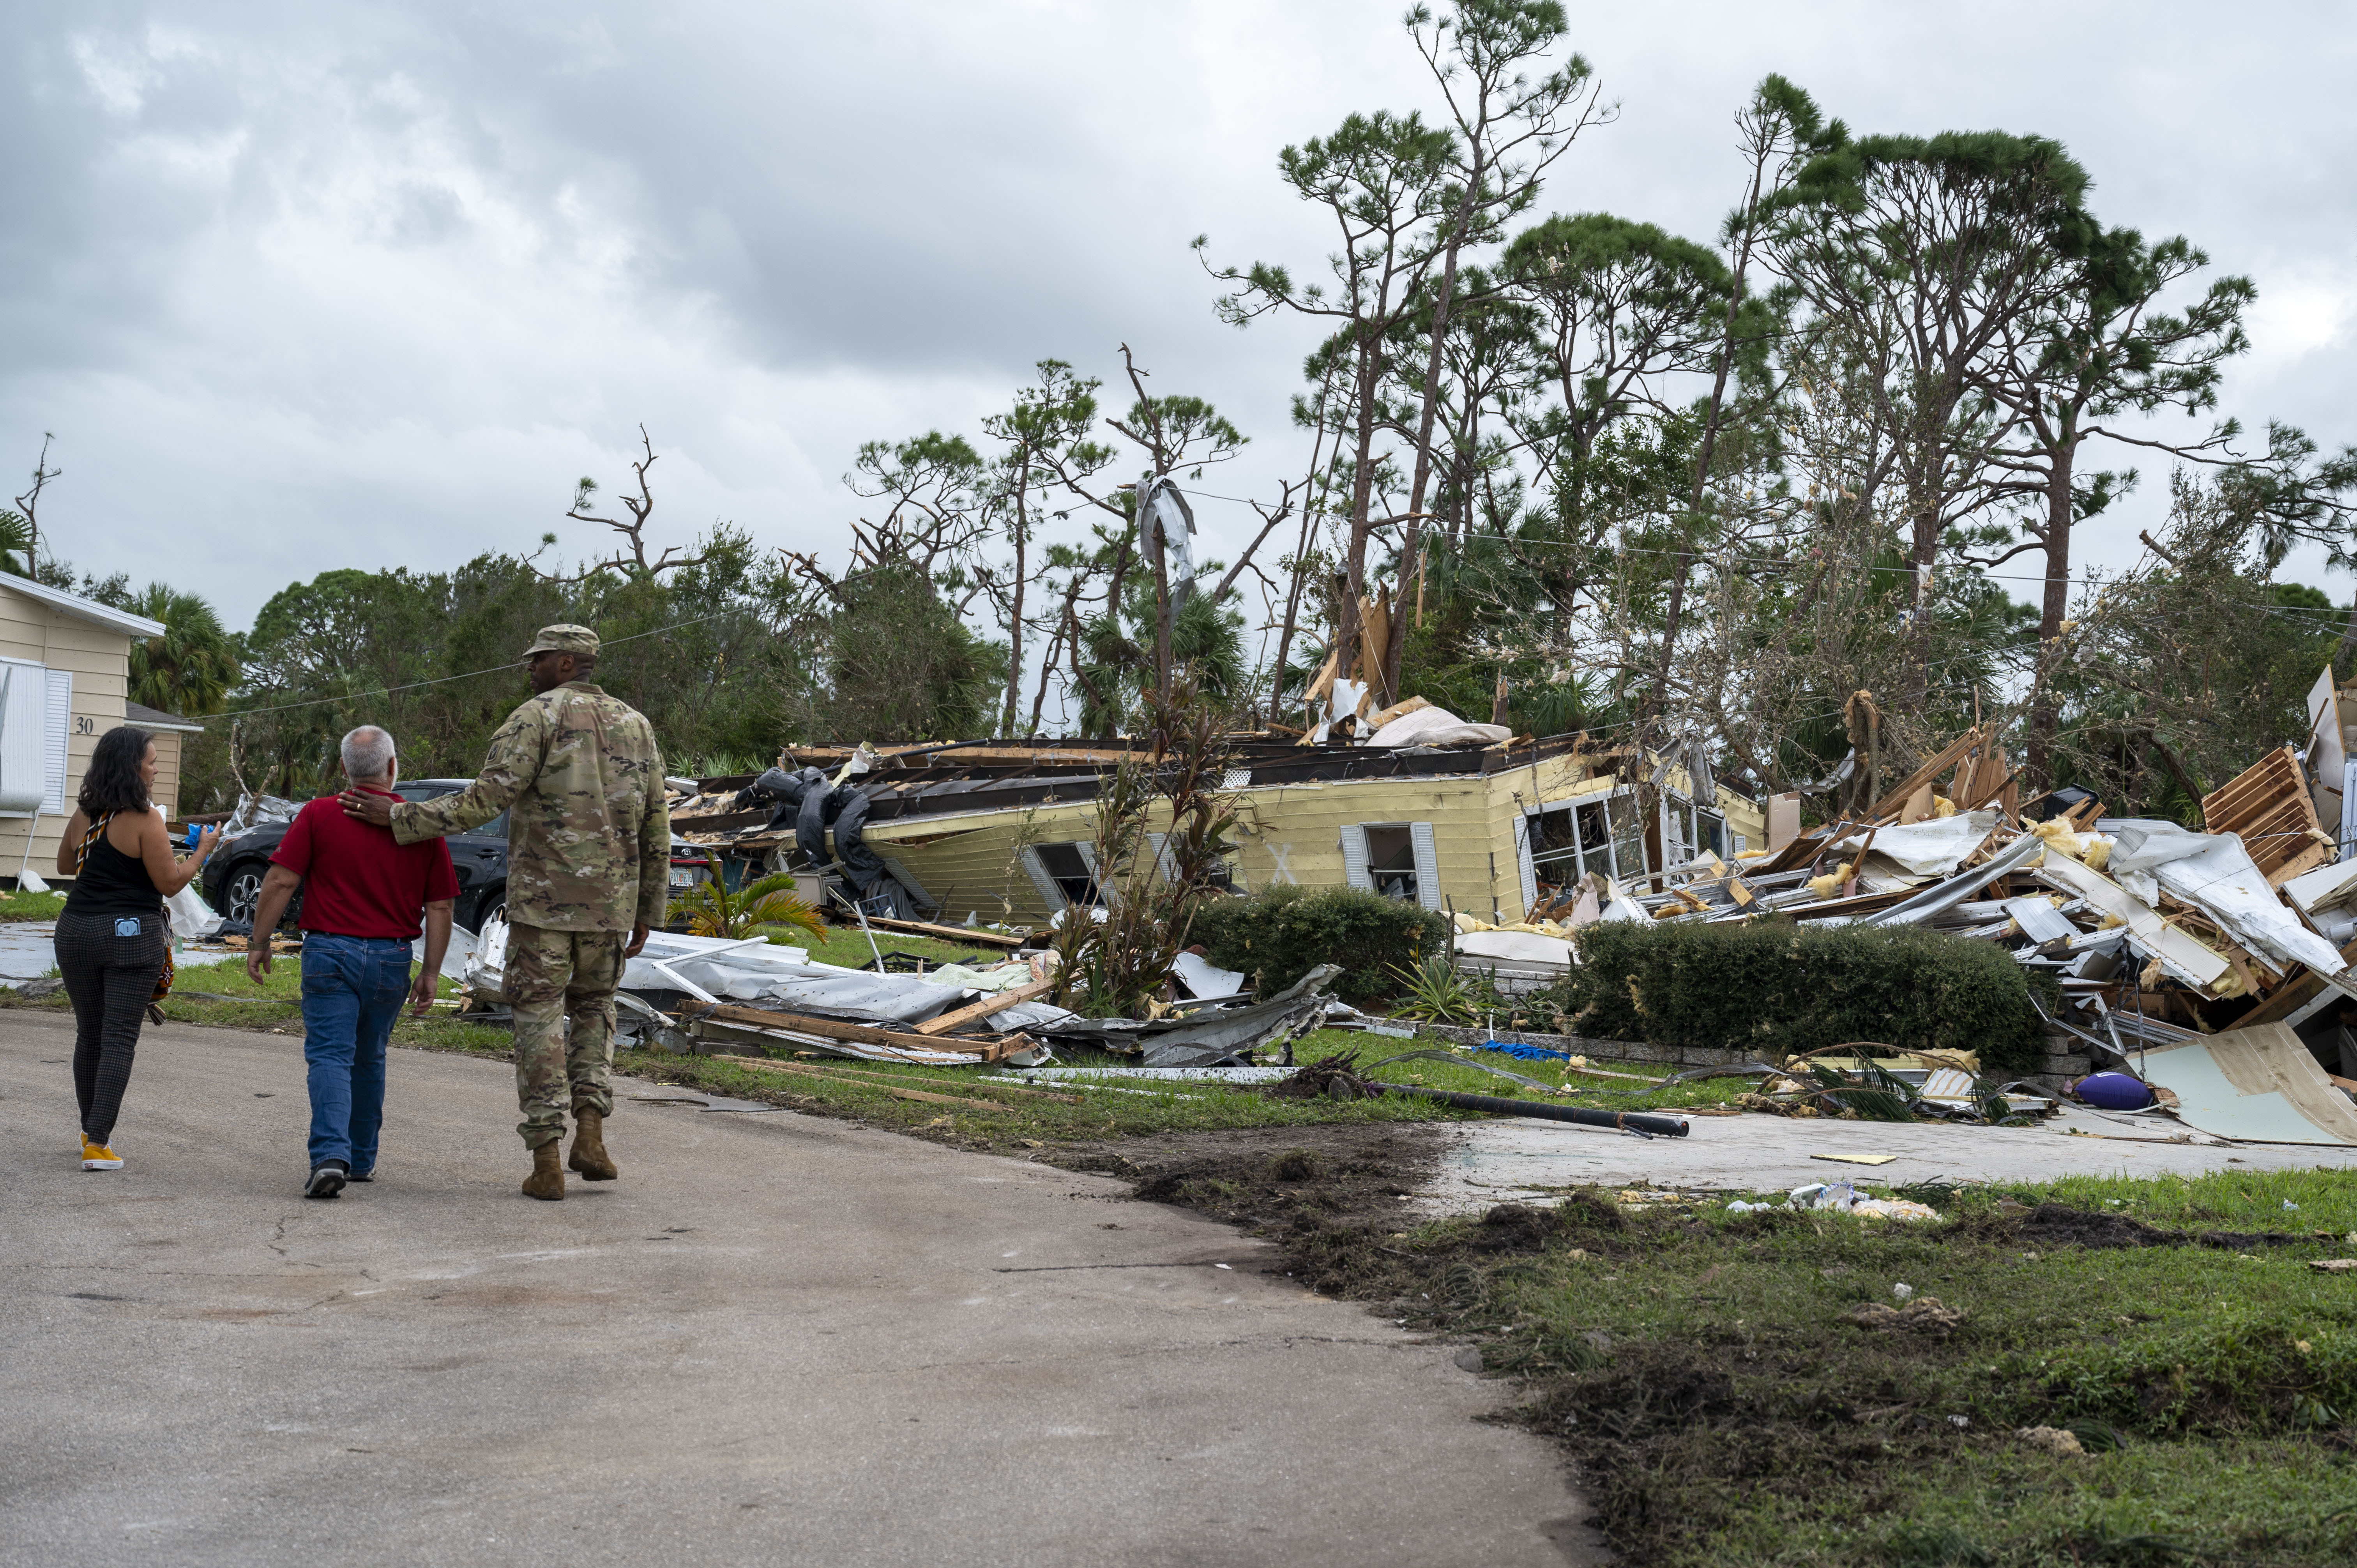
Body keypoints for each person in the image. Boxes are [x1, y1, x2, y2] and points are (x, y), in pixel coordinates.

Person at [341, 625, 668, 1201]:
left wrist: (397, 818)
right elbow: (656, 823)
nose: (529, 669)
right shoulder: (637, 726)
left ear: (566, 662)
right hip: (611, 907)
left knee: (539, 1020)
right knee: (595, 1013)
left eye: (536, 660)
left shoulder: (534, 718)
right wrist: (649, 907)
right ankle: (590, 1135)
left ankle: (547, 1161)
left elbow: (485, 799)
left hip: (545, 907)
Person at [248, 726, 458, 1199]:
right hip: (391, 958)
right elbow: (440, 907)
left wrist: (259, 940)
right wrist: (429, 971)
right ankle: (360, 1159)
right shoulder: (418, 824)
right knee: (370, 1057)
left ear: (344, 769)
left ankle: (330, 1156)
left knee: (329, 1055)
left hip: (329, 953)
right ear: (391, 766)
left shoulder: (320, 814)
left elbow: (281, 880)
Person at [53, 724, 221, 1172]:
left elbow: (65, 864)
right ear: (133, 767)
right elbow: (169, 882)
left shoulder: (85, 814)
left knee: (90, 1033)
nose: (156, 767)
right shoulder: (147, 819)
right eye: (151, 761)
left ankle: (90, 1131)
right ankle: (99, 1144)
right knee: (120, 1037)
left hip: (75, 931)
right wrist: (203, 850)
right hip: (130, 935)